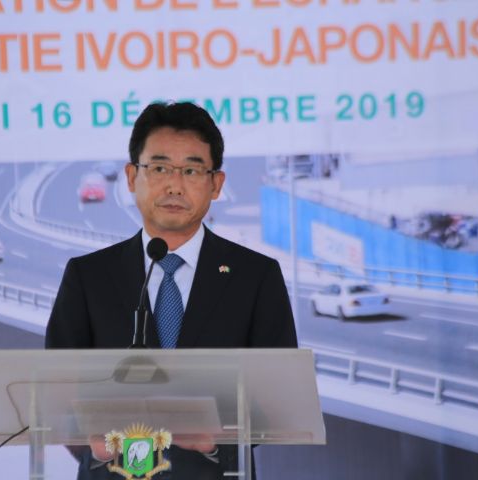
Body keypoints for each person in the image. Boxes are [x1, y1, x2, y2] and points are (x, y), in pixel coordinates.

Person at [45, 101, 297, 479]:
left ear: (216, 184)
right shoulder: (88, 276)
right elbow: (56, 388)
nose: (174, 185)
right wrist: (90, 442)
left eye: (192, 170)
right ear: (132, 177)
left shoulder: (256, 276)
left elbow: (278, 395)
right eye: (159, 168)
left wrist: (214, 439)